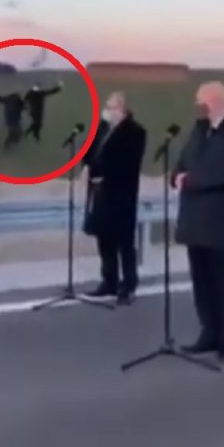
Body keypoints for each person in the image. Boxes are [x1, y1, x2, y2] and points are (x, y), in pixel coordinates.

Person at [173, 81, 224, 362]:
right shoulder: (200, 130)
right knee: (202, 282)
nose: (199, 106)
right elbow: (184, 160)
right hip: (195, 219)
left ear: (216, 100)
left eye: (202, 101)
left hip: (222, 220)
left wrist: (190, 180)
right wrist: (177, 175)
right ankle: (209, 332)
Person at [82, 92, 147, 305]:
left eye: (111, 108)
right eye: (107, 107)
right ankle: (109, 281)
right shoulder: (103, 130)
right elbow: (89, 154)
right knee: (105, 240)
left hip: (121, 195)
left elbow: (128, 163)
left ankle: (128, 285)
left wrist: (104, 173)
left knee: (124, 243)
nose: (108, 111)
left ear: (122, 109)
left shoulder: (135, 132)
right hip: (100, 194)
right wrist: (99, 127)